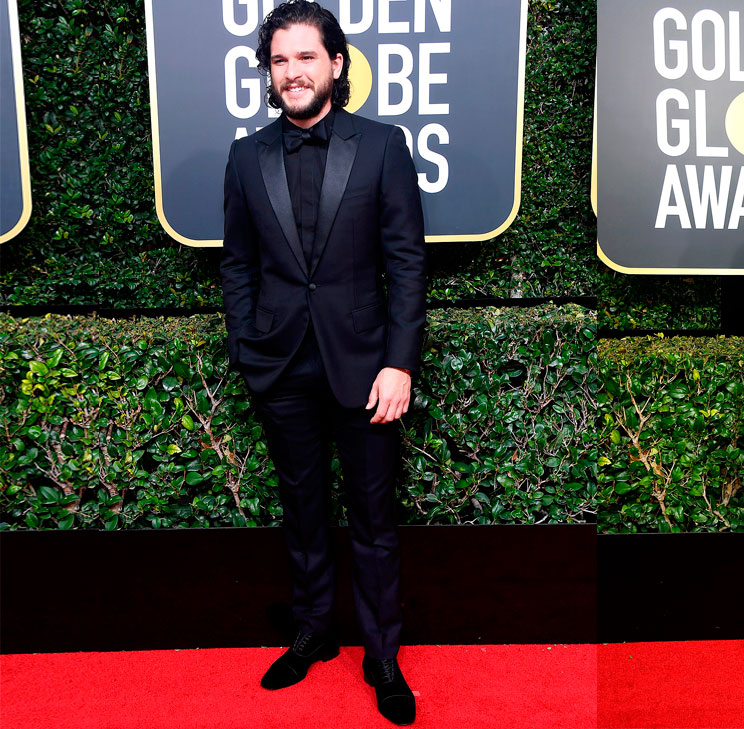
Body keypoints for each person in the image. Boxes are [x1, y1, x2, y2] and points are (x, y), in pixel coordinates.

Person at [219, 1, 426, 724]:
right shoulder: (246, 158)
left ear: (336, 63)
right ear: (269, 74)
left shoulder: (382, 147)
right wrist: (247, 347)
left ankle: (383, 653)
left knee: (373, 516)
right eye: (280, 61)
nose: (293, 71)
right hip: (280, 367)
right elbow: (238, 265)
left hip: (366, 367)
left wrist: (400, 364)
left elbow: (407, 264)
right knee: (301, 508)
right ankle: (312, 629)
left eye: (306, 56)